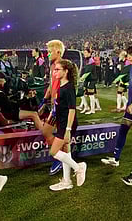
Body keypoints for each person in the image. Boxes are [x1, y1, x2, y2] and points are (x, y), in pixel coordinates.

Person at [48, 59, 87, 191]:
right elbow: (60, 107)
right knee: (65, 151)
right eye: (54, 69)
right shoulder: (61, 85)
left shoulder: (69, 87)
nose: (55, 72)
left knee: (54, 152)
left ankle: (78, 168)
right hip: (61, 123)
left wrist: (68, 129)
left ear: (66, 71)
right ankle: (67, 181)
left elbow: (72, 109)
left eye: (58, 69)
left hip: (66, 125)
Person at [42, 40, 66, 176]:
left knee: (61, 135)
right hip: (54, 105)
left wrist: (59, 103)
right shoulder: (53, 66)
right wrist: (45, 99)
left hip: (61, 106)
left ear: (58, 51)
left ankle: (60, 159)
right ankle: (60, 157)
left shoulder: (63, 66)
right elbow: (52, 86)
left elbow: (68, 87)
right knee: (47, 131)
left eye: (50, 51)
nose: (48, 54)